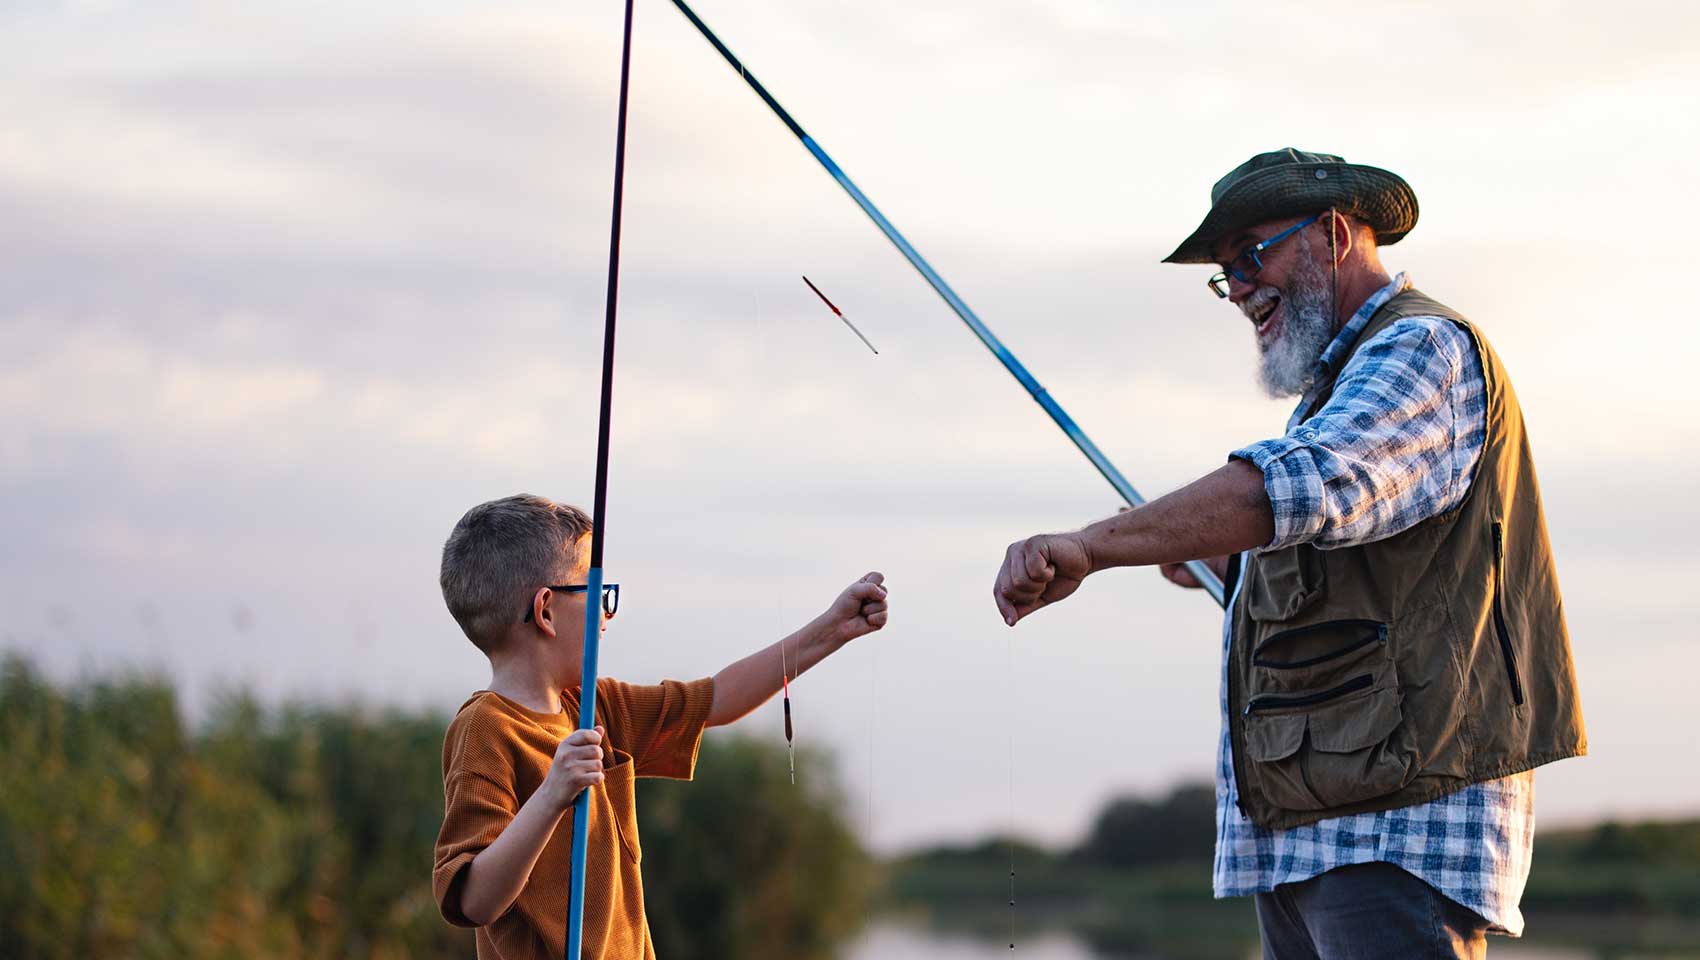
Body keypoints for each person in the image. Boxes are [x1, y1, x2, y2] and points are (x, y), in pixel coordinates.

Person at [992, 148, 1585, 958]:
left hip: (1391, 836)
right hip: (1316, 830)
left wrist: (1092, 546)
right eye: (1225, 272)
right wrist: (1232, 567)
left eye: (1249, 254)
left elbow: (1301, 486)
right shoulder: (1340, 387)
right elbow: (1348, 547)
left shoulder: (1421, 349)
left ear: (1335, 233)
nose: (1237, 288)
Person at [431, 494, 888, 959]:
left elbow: (718, 699)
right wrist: (552, 794)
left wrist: (832, 629)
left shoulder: (595, 705)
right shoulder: (485, 730)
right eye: (596, 593)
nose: (608, 614)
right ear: (546, 611)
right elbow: (473, 899)